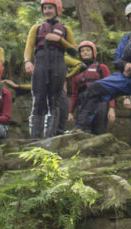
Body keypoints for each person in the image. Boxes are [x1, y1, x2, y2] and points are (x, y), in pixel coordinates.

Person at [73, 2, 131, 154]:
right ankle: (80, 128)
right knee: (94, 88)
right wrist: (126, 66)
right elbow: (117, 59)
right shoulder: (127, 38)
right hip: (125, 76)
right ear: (128, 19)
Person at [23, 0, 77, 138]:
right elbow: (29, 47)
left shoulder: (65, 29)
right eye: (45, 8)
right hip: (41, 63)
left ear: (57, 9)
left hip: (58, 64)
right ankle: (35, 137)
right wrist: (28, 61)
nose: (47, 11)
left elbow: (73, 51)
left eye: (50, 8)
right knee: (38, 99)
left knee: (54, 101)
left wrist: (59, 40)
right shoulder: (36, 28)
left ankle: (50, 138)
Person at [67, 41, 115, 135]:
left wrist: (111, 108)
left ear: (93, 53)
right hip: (82, 104)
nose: (85, 52)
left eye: (88, 50)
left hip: (99, 103)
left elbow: (110, 89)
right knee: (83, 132)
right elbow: (74, 94)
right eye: (82, 51)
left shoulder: (102, 68)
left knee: (99, 131)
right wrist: (70, 112)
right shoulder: (76, 72)